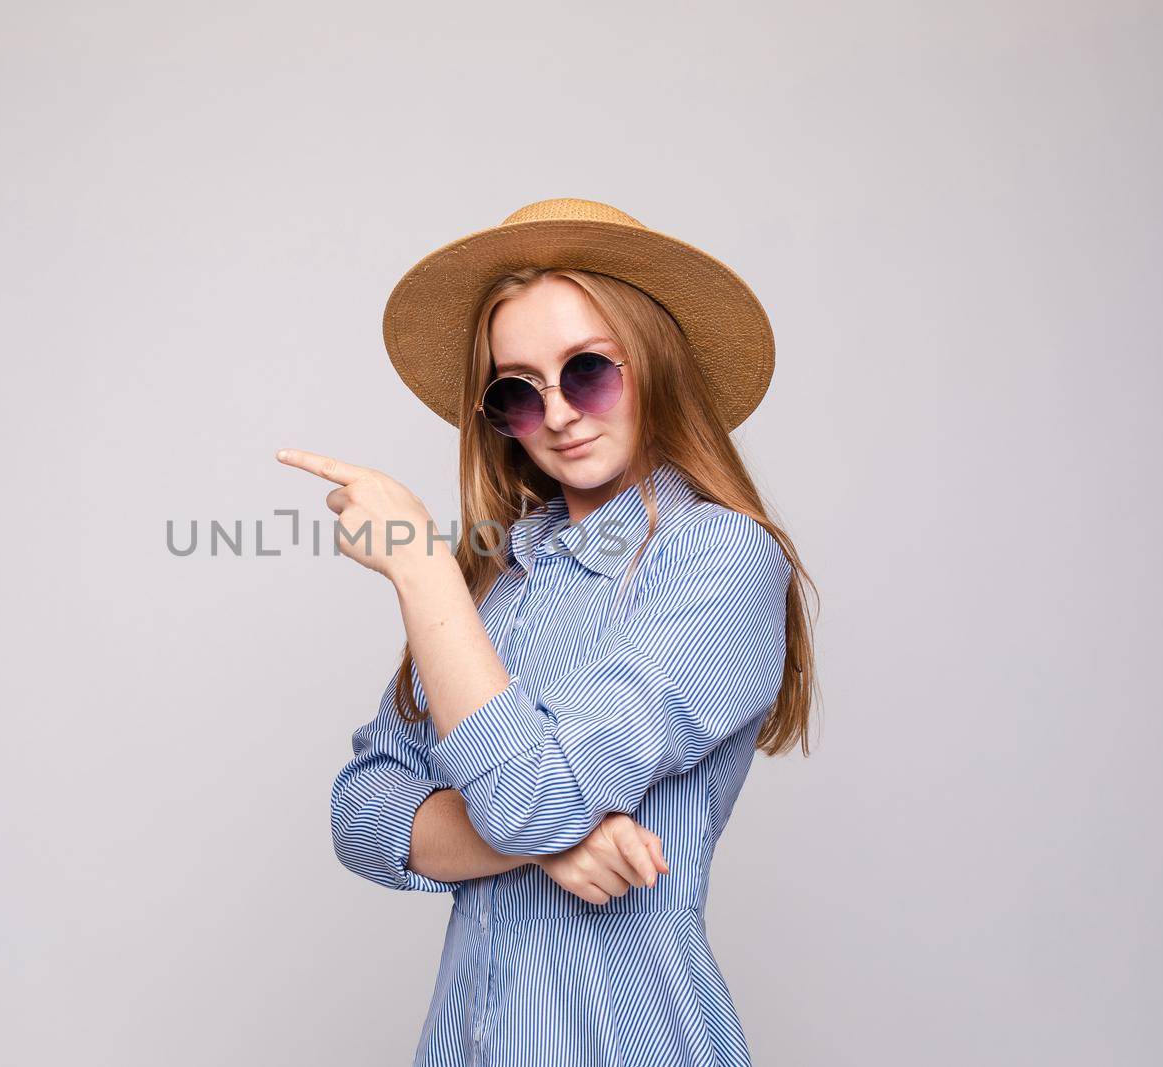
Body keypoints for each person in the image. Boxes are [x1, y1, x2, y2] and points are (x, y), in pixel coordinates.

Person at [277, 198, 818, 1066]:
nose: (559, 413)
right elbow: (363, 810)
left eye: (589, 372)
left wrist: (419, 567)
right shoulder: (498, 577)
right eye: (518, 391)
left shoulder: (720, 555)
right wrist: (545, 846)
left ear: (656, 364)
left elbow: (532, 799)